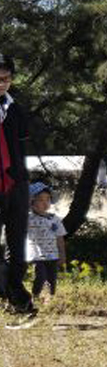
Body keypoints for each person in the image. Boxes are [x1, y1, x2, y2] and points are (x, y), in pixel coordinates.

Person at [0, 51, 36, 319]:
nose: (2, 83)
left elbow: (23, 148)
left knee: (17, 246)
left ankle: (16, 295)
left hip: (17, 184)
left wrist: (24, 180)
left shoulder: (17, 109)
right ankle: (11, 294)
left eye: (6, 78)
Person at [25, 181, 66, 301]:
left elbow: (60, 237)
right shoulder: (28, 218)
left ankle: (50, 298)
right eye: (40, 200)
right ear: (32, 202)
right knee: (40, 276)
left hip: (52, 255)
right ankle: (35, 296)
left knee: (52, 278)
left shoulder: (55, 219)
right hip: (37, 256)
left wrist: (62, 254)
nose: (45, 203)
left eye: (47, 199)